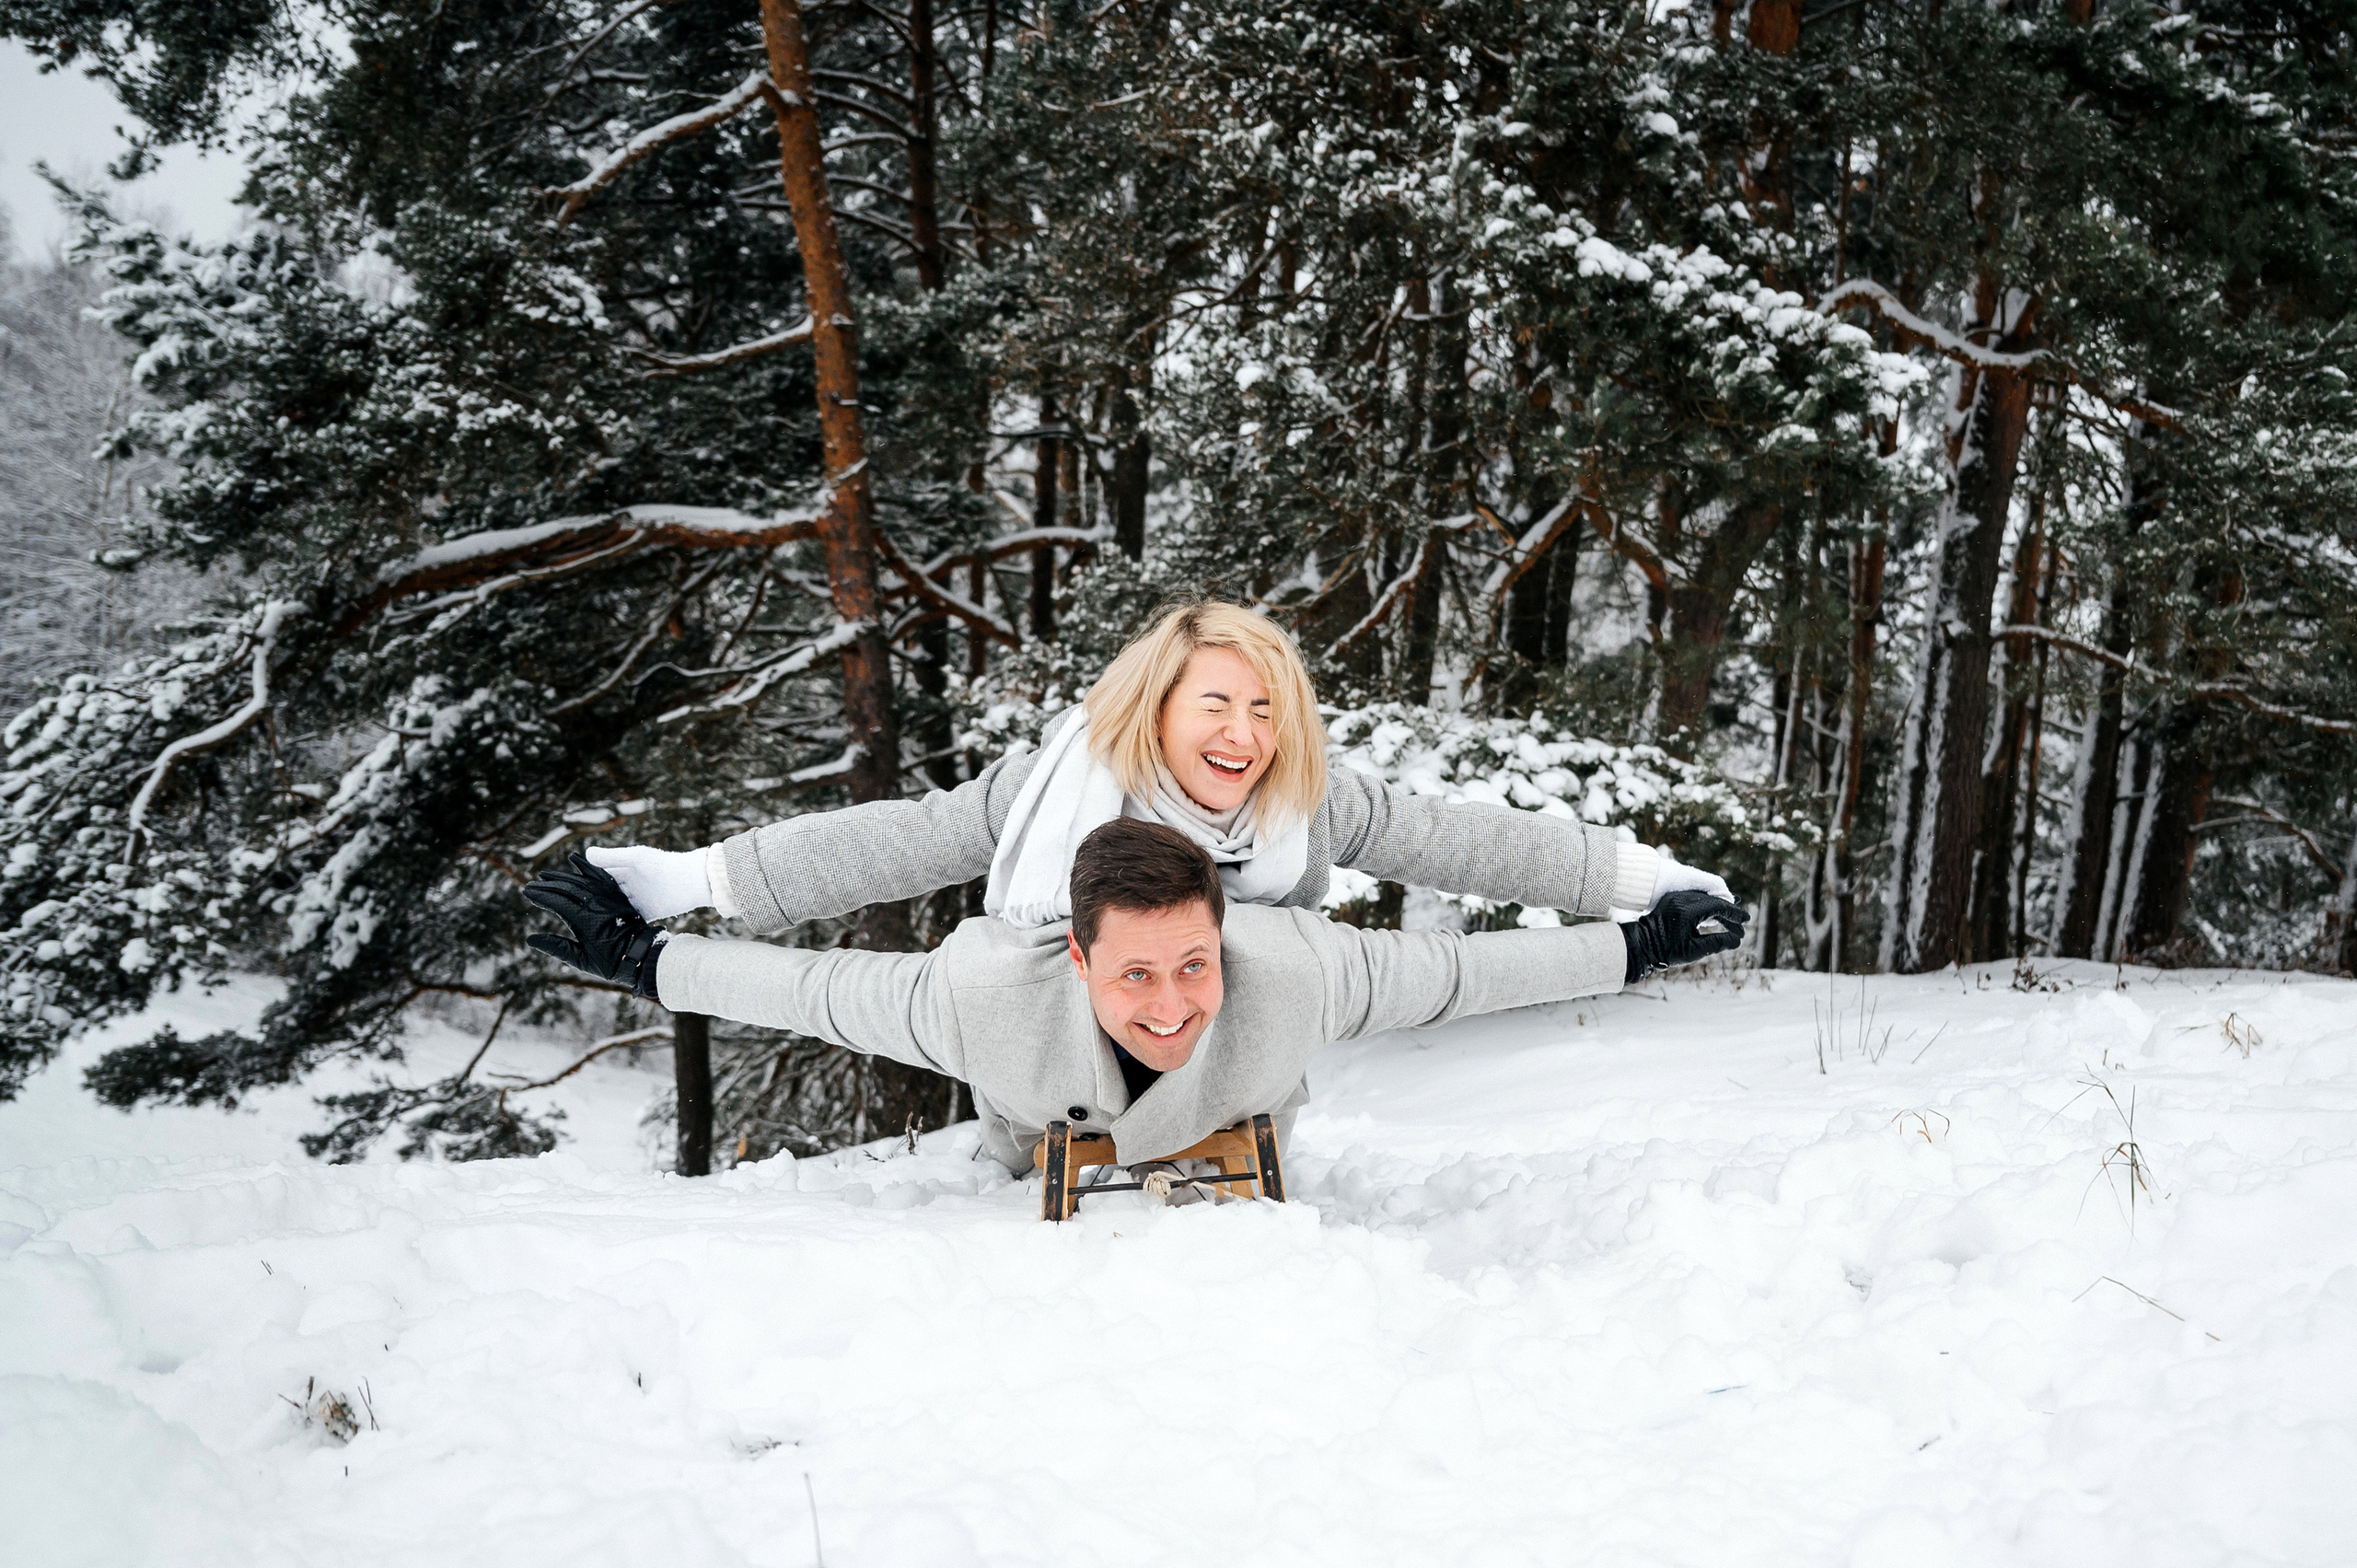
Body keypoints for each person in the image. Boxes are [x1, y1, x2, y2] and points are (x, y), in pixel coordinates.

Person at [523, 820, 1749, 1172]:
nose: (1171, 1002)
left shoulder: (1302, 968)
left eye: (1194, 962)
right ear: (1077, 957)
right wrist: (645, 958)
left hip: (1236, 1142)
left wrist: (1638, 941)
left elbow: (1470, 969)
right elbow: (817, 986)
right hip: (1044, 1138)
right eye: (1137, 975)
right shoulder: (981, 996)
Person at [583, 600, 1736, 939]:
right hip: (1062, 1081)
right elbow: (890, 838)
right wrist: (696, 882)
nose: (1244, 733)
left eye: (1266, 708)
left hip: (1233, 1081)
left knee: (1282, 942)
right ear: (1158, 708)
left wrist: (1643, 881)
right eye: (1217, 702)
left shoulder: (1305, 805)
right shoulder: (1056, 792)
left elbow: (1462, 837)